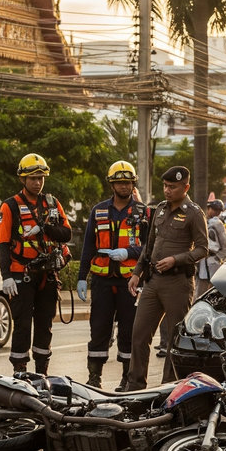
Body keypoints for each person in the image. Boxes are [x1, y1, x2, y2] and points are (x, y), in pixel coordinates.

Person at [125, 166, 208, 391]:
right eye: (165, 186)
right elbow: (149, 246)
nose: (167, 190)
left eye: (172, 187)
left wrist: (176, 259)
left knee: (174, 338)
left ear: (186, 187)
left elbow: (202, 249)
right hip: (153, 282)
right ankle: (135, 387)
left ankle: (169, 388)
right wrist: (136, 273)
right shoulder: (160, 210)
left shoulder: (193, 213)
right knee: (139, 334)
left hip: (178, 283)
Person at [76, 161, 150, 390]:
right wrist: (81, 276)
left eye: (128, 182)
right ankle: (94, 377)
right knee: (99, 329)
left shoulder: (143, 212)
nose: (124, 186)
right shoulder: (98, 211)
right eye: (119, 182)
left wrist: (129, 251)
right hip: (102, 282)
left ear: (133, 184)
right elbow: (88, 245)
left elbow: (149, 247)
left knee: (129, 331)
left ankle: (126, 378)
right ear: (112, 185)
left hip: (131, 282)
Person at [0, 153, 72, 376]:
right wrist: (6, 275)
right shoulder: (10, 206)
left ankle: (41, 372)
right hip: (22, 274)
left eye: (40, 178)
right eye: (32, 178)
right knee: (21, 325)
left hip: (47, 275)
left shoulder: (52, 203)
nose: (37, 182)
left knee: (45, 324)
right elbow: (2, 244)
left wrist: (45, 227)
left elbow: (66, 233)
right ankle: (20, 371)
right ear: (22, 179)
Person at [195, 199, 226, 297]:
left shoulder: (217, 224)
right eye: (214, 209)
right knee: (200, 292)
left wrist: (217, 258)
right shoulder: (202, 221)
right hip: (201, 260)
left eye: (218, 211)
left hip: (212, 260)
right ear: (209, 209)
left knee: (215, 289)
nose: (216, 212)